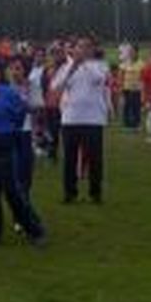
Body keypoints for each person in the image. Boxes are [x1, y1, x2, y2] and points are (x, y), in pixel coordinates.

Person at [0, 57, 46, 246]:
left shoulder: (9, 94)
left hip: (3, 145)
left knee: (12, 190)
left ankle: (34, 230)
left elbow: (20, 115)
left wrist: (5, 130)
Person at [52, 36, 109, 204]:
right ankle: (70, 193)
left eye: (87, 47)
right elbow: (56, 87)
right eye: (80, 47)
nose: (83, 50)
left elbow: (98, 79)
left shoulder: (100, 66)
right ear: (74, 49)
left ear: (92, 50)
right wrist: (72, 68)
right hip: (70, 119)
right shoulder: (66, 67)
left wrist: (82, 64)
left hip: (93, 120)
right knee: (69, 159)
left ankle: (95, 193)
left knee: (95, 159)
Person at [8, 56, 35, 196]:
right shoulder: (5, 89)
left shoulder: (31, 86)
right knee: (11, 170)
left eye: (18, 68)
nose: (14, 72)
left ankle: (24, 201)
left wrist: (24, 102)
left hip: (26, 132)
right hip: (9, 132)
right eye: (11, 68)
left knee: (25, 171)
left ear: (25, 70)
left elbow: (36, 107)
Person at [121, 46, 144, 131]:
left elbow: (143, 77)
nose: (131, 53)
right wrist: (121, 86)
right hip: (126, 88)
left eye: (133, 52)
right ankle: (127, 124)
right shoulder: (125, 62)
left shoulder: (141, 63)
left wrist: (142, 88)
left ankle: (136, 124)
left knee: (136, 106)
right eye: (130, 52)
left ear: (137, 53)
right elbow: (122, 74)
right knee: (127, 106)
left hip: (137, 89)